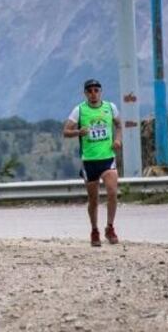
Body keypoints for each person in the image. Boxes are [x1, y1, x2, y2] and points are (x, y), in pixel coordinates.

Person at [62, 78, 122, 247]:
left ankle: (110, 227)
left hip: (107, 158)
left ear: (100, 91)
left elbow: (119, 125)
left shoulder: (110, 107)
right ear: (85, 93)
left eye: (96, 90)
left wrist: (118, 140)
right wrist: (78, 132)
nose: (93, 93)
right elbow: (66, 132)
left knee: (112, 192)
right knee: (93, 200)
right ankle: (94, 230)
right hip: (89, 161)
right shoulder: (79, 110)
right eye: (90, 91)